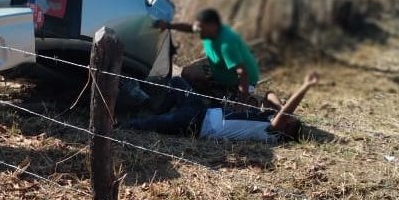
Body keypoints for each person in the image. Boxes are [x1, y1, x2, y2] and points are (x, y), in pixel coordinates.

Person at [122, 71, 319, 142]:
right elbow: (269, 95)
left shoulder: (272, 134)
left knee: (144, 125)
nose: (285, 117)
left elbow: (285, 113)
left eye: (288, 121)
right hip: (200, 110)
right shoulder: (266, 118)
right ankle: (157, 112)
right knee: (176, 81)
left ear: (286, 131)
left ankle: (121, 126)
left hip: (196, 124)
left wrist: (306, 86)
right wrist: (280, 106)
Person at [155, 8, 259, 100]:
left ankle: (216, 96)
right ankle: (207, 91)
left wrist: (242, 100)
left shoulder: (226, 45)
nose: (198, 31)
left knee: (220, 100)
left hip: (238, 81)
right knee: (187, 73)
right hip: (220, 67)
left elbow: (243, 73)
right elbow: (191, 28)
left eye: (200, 28)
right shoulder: (208, 31)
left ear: (212, 26)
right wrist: (167, 25)